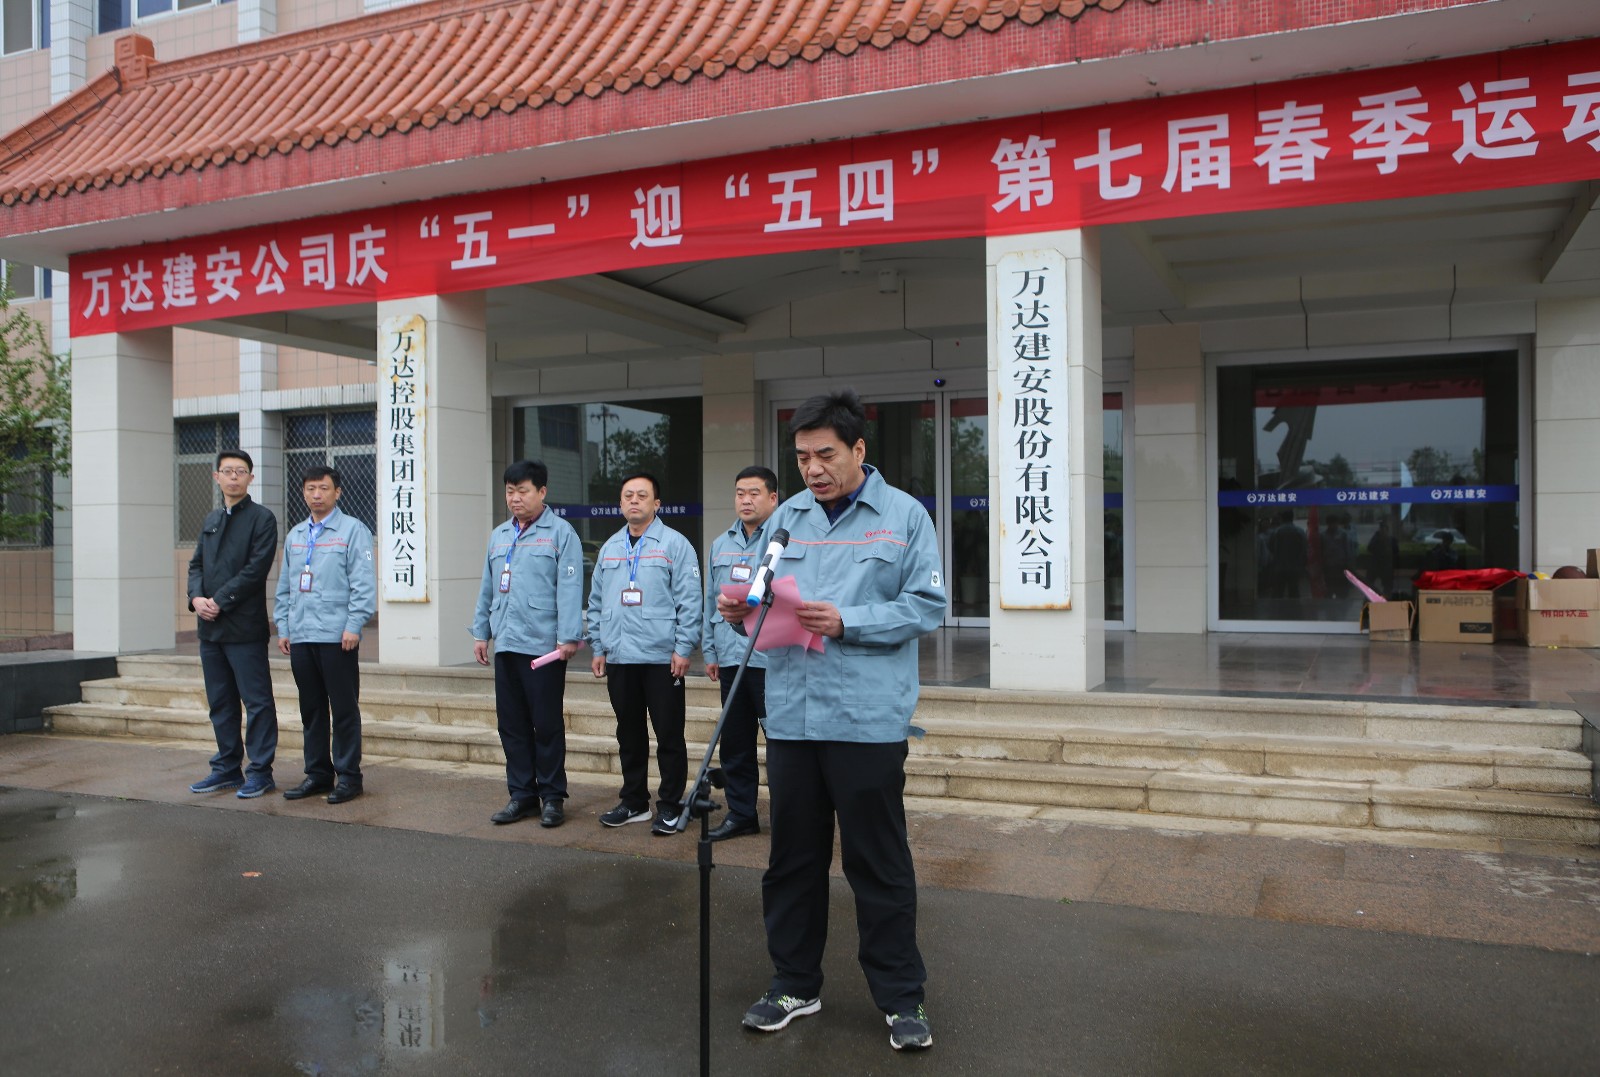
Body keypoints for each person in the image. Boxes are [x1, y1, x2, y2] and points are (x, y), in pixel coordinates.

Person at [718, 388, 944, 1053]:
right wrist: (742, 610)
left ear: (858, 449)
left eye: (825, 454)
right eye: (801, 457)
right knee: (792, 860)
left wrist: (850, 620)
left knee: (878, 862)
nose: (812, 469)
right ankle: (794, 983)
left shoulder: (904, 517)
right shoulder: (786, 517)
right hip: (792, 715)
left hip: (866, 719)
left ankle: (901, 997)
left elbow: (927, 605)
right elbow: (764, 596)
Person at [586, 473, 702, 836]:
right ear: (620, 504)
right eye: (628, 496)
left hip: (661, 658)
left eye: (642, 495)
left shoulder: (675, 544)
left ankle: (670, 805)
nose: (634, 501)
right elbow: (596, 602)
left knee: (669, 735)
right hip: (620, 657)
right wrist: (597, 646)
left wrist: (683, 648)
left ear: (657, 503)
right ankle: (634, 801)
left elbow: (690, 600)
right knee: (629, 734)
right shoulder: (610, 548)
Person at [471, 460, 585, 828]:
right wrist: (481, 632)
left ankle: (552, 796)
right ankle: (521, 795)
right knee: (512, 724)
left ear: (542, 492)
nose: (515, 498)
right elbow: (488, 587)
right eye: (510, 491)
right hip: (507, 642)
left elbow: (570, 589)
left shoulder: (561, 533)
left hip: (543, 647)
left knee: (546, 725)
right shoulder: (499, 535)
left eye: (523, 491)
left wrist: (568, 636)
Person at [274, 466, 376, 805]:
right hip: (302, 635)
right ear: (303, 492)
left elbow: (363, 583)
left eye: (324, 488)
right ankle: (317, 774)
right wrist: (284, 626)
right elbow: (286, 586)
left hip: (337, 636)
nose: (316, 494)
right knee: (312, 708)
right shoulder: (296, 535)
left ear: (338, 492)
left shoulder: (352, 530)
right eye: (310, 489)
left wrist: (354, 625)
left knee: (343, 709)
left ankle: (349, 777)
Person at [186, 449, 281, 799]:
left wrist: (220, 600)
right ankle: (227, 768)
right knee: (221, 702)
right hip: (210, 630)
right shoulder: (211, 519)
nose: (234, 477)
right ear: (217, 477)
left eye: (240, 471)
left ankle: (260, 772)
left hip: (244, 629)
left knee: (257, 702)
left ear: (250, 478)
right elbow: (196, 565)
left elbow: (256, 570)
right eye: (227, 471)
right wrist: (196, 598)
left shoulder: (262, 519)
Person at [701, 465, 781, 842]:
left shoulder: (785, 542)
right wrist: (710, 649)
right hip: (731, 657)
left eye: (754, 493)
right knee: (735, 742)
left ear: (773, 498)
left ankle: (789, 817)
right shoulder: (721, 544)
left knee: (780, 743)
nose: (745, 500)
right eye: (739, 493)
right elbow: (710, 600)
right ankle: (741, 814)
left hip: (771, 659)